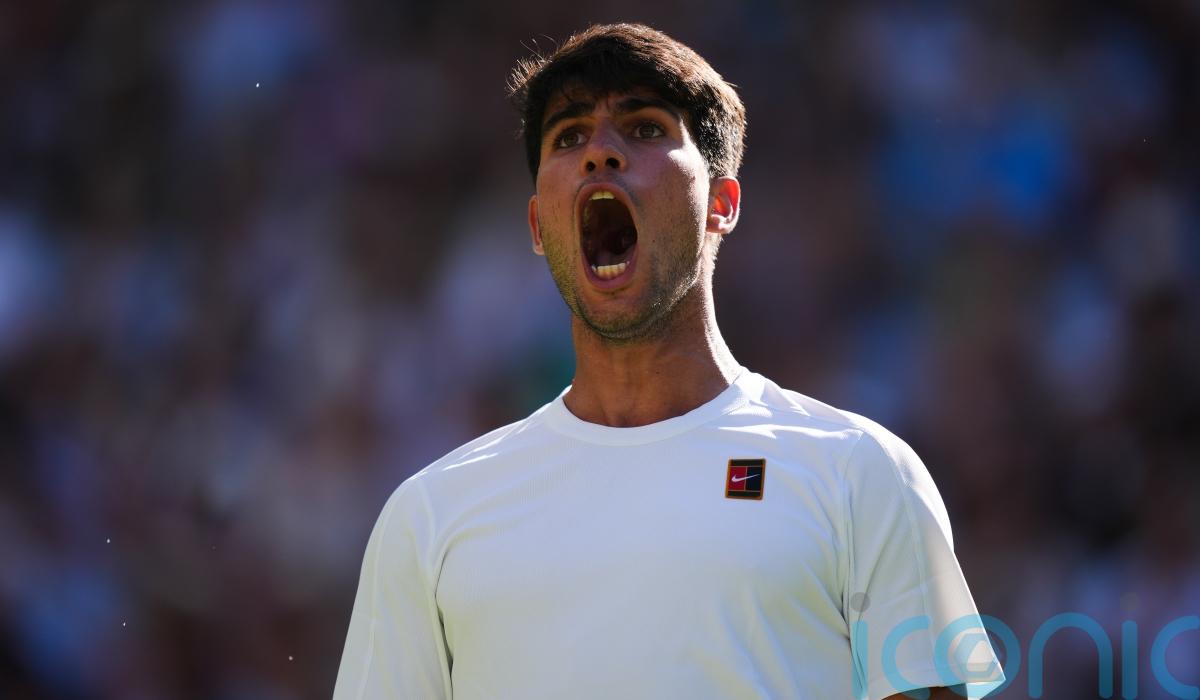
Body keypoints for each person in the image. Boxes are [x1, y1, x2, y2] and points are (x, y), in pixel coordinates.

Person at [333, 23, 1003, 700]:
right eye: (568, 137)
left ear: (721, 204)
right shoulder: (430, 516)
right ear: (538, 226)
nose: (600, 153)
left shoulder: (860, 473)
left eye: (645, 129)